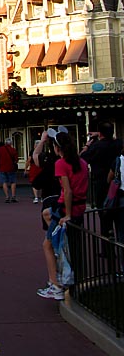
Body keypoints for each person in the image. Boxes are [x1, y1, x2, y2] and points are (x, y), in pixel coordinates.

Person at [37, 131, 88, 300]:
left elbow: (67, 191)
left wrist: (66, 213)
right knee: (46, 213)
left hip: (67, 208)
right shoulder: (81, 162)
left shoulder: (61, 163)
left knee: (47, 245)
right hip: (79, 207)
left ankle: (55, 284)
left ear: (57, 148)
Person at [80, 121, 122, 238]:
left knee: (104, 216)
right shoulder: (118, 144)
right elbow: (113, 139)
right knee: (119, 216)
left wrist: (88, 145)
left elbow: (82, 158)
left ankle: (107, 247)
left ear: (101, 134)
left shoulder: (96, 146)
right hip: (118, 183)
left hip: (102, 184)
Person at [0, 138, 19, 203]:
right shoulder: (13, 150)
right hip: (11, 168)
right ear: (11, 143)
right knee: (13, 182)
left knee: (4, 182)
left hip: (2, 168)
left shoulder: (0, 149)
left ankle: (7, 196)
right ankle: (13, 196)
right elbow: (16, 160)